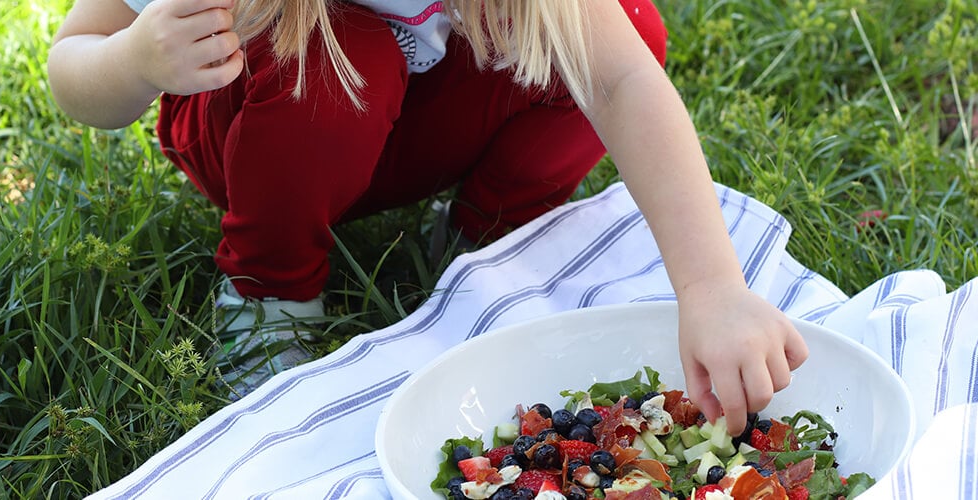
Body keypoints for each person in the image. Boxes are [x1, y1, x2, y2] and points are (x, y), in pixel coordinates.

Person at [47, 0, 808, 435]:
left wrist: (712, 288)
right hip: (260, 121)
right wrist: (136, 61)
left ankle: (487, 240)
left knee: (620, 28)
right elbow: (73, 61)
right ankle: (269, 292)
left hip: (409, 108)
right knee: (344, 47)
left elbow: (619, 76)